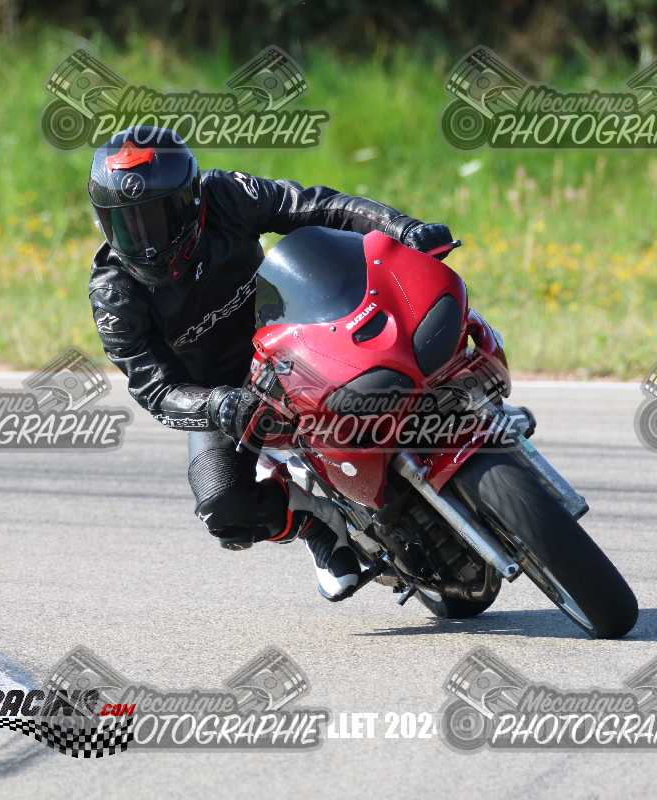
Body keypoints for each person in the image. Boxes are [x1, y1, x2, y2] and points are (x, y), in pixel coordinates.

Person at [87, 125, 453, 601]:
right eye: (126, 224)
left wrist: (402, 228)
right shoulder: (113, 294)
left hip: (294, 332)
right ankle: (313, 521)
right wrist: (215, 404)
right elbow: (154, 389)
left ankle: (466, 403)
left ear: (191, 200)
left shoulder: (225, 194)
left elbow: (317, 205)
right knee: (223, 508)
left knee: (395, 344)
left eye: (156, 218)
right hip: (224, 392)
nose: (145, 239)